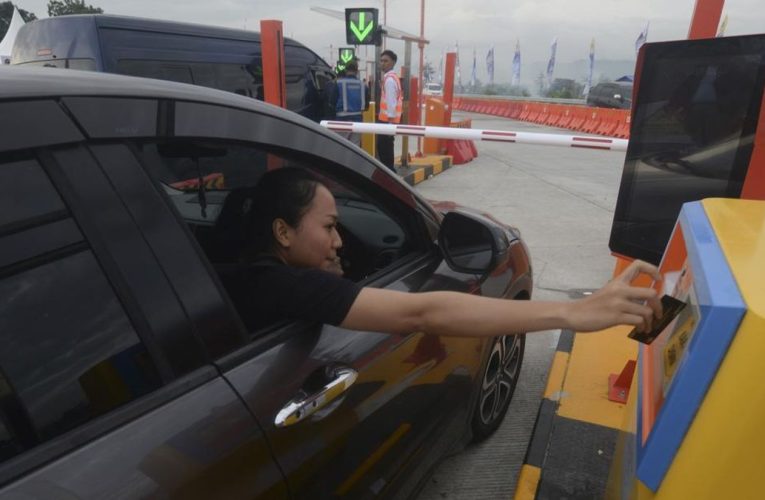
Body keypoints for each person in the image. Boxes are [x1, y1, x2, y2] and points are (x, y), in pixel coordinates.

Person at [219, 167, 663, 336]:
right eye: (330, 227)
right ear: (282, 231)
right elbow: (423, 313)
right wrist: (569, 314)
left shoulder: (240, 275)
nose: (339, 242)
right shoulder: (283, 285)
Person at [325, 60, 367, 147]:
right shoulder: (363, 85)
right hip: (358, 119)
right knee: (355, 145)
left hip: (341, 119)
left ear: (346, 70)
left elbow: (331, 103)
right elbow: (366, 106)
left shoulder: (338, 83)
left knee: (341, 145)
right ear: (357, 70)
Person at [376, 49, 403, 172]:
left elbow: (391, 104)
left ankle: (389, 173)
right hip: (388, 121)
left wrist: (389, 126)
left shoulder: (390, 80)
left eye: (386, 61)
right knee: (386, 149)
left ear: (393, 62)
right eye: (381, 61)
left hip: (387, 121)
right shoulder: (391, 78)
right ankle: (390, 172)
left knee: (384, 150)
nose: (382, 63)